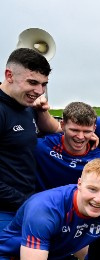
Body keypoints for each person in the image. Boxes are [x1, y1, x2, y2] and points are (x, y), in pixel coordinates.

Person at [0, 48, 61, 228]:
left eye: (44, 84)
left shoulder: (26, 105)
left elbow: (55, 129)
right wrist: (29, 202)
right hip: (6, 210)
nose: (39, 91)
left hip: (26, 205)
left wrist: (89, 136)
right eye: (33, 82)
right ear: (9, 75)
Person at [33, 101, 100, 191]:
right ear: (62, 125)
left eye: (87, 131)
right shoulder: (42, 147)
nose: (80, 137)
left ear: (94, 129)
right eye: (74, 130)